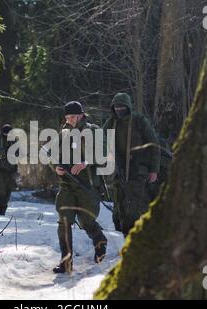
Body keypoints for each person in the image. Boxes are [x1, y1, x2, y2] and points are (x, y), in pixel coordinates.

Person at [52, 101, 107, 274]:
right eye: (67, 117)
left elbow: (104, 153)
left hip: (87, 184)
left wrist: (85, 163)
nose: (70, 120)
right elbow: (54, 155)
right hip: (67, 184)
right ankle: (66, 262)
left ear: (82, 115)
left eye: (74, 117)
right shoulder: (64, 132)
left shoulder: (93, 130)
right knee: (64, 221)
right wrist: (56, 167)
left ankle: (100, 242)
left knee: (86, 221)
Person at [103, 93, 160, 238]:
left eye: (122, 106)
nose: (119, 109)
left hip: (138, 170)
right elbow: (101, 144)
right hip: (118, 171)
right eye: (116, 107)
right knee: (120, 209)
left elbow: (154, 145)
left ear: (128, 107)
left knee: (137, 208)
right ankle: (126, 238)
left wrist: (154, 170)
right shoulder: (110, 123)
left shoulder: (139, 121)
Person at [0, 124, 18, 215]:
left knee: (8, 191)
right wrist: (4, 151)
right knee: (0, 190)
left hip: (10, 170)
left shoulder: (14, 141)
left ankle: (3, 209)